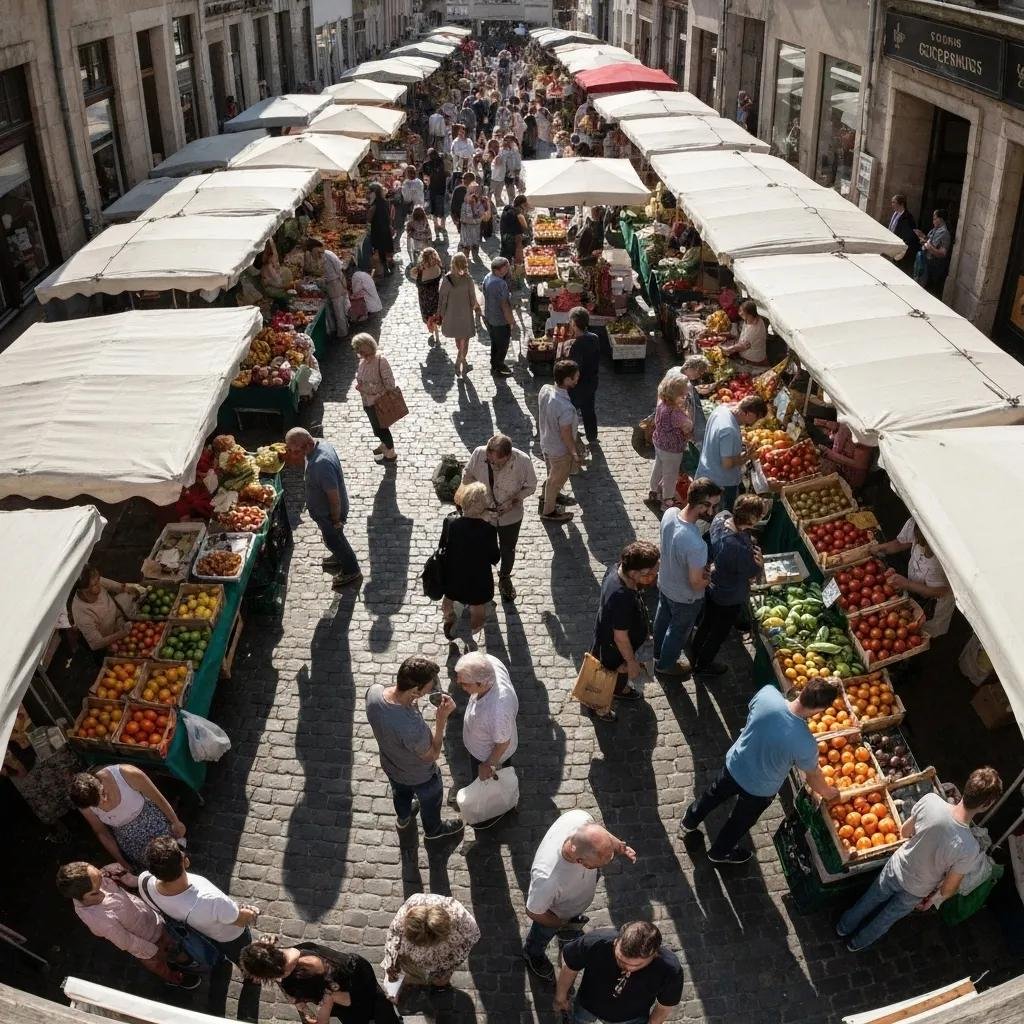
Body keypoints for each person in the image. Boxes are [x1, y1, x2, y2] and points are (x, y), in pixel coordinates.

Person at [838, 767, 1002, 951]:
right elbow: (948, 889)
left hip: (897, 867)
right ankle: (856, 943)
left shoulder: (931, 801)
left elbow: (904, 832)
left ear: (967, 787)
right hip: (916, 890)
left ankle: (843, 927)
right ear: (986, 805)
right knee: (886, 919)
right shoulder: (970, 849)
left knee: (869, 899)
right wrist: (932, 900)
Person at [680, 678, 841, 865]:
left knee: (713, 795)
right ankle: (720, 852)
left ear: (803, 689)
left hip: (736, 764)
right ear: (819, 710)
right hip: (759, 789)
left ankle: (689, 821)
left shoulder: (768, 694)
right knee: (739, 822)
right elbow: (812, 776)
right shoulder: (806, 743)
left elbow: (753, 712)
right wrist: (829, 793)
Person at [523, 809, 637, 981]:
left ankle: (567, 932)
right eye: (594, 866)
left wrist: (619, 846)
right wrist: (560, 923)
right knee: (541, 936)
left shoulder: (580, 819)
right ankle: (533, 955)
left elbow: (599, 833)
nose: (598, 869)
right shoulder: (547, 879)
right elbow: (534, 912)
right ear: (579, 861)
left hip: (572, 903)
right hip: (555, 915)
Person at [365, 656, 464, 843]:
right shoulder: (412, 726)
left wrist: (411, 703)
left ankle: (403, 818)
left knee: (401, 796)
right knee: (431, 801)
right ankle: (434, 830)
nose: (432, 688)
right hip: (421, 776)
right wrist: (441, 719)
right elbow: (432, 755)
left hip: (392, 767)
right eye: (429, 685)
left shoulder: (374, 693)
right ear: (414, 690)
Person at [56, 861, 198, 988]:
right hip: (147, 943)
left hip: (152, 922)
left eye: (98, 872)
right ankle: (171, 977)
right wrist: (153, 951)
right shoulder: (100, 920)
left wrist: (115, 870)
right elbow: (127, 942)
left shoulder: (94, 882)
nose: (103, 875)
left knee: (169, 943)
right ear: (90, 894)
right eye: (99, 879)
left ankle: (176, 955)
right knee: (158, 963)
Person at [138, 836, 259, 964]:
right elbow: (240, 920)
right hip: (231, 937)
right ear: (185, 861)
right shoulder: (211, 900)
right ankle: (251, 974)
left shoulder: (144, 880)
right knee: (245, 958)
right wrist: (252, 912)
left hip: (207, 934)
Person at [648, 479, 720, 679]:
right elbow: (696, 583)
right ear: (700, 505)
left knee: (662, 619)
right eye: (711, 506)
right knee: (678, 631)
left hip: (666, 583)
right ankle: (666, 665)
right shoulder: (696, 544)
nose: (713, 512)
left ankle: (656, 654)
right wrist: (711, 573)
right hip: (685, 597)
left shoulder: (670, 513)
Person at [690, 496, 765, 676]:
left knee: (707, 621)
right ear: (753, 520)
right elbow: (751, 573)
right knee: (719, 632)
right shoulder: (739, 549)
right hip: (730, 595)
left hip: (713, 583)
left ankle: (695, 648)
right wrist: (760, 563)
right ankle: (703, 665)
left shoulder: (720, 518)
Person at [241, 939, 400, 1023]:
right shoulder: (283, 957)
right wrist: (303, 1007)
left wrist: (320, 1013)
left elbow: (345, 1000)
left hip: (349, 993)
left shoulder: (312, 972)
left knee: (372, 1010)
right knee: (376, 999)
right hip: (355, 970)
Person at [555, 921, 683, 1024]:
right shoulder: (595, 942)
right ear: (616, 942)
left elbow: (663, 1007)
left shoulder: (669, 970)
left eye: (637, 965)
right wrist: (560, 997)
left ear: (654, 954)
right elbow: (570, 966)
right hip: (587, 1005)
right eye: (621, 959)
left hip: (632, 1018)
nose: (628, 968)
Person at [589, 540, 661, 722]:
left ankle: (620, 689)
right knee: (610, 674)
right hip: (614, 648)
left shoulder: (617, 568)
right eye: (651, 573)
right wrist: (631, 662)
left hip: (605, 634)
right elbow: (620, 637)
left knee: (611, 671)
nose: (655, 576)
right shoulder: (622, 597)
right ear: (635, 572)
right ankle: (601, 708)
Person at [461, 434, 537, 601]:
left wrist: (513, 501)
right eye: (489, 461)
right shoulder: (479, 454)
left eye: (496, 462)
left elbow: (531, 486)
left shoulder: (523, 461)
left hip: (510, 517)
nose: (492, 464)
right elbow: (467, 475)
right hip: (482, 516)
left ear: (508, 456)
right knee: (480, 548)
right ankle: (482, 580)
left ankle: (504, 578)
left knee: (507, 549)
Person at [284, 427, 361, 588]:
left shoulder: (321, 465)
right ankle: (339, 557)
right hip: (324, 512)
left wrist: (335, 519)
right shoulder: (321, 445)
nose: (291, 455)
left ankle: (351, 570)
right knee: (332, 539)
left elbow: (334, 498)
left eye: (295, 451)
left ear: (308, 445)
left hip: (329, 514)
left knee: (335, 540)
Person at [69, 767, 185, 872]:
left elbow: (158, 798)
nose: (103, 802)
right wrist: (122, 861)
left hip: (153, 822)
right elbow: (102, 832)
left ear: (99, 781)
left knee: (173, 858)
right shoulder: (84, 803)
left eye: (103, 793)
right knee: (154, 868)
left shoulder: (126, 774)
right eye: (96, 805)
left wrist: (175, 822)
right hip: (130, 841)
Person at [455, 650, 519, 811]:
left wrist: (488, 764)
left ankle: (492, 808)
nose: (458, 684)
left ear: (481, 684)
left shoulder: (498, 709)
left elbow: (503, 743)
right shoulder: (488, 662)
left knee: (490, 784)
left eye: (464, 683)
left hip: (487, 756)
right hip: (483, 745)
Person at [869, 519, 955, 636]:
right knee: (911, 624)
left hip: (934, 603)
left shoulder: (939, 561)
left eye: (921, 541)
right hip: (915, 589)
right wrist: (882, 548)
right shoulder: (916, 523)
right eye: (916, 538)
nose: (916, 542)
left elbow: (940, 591)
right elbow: (901, 543)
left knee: (926, 632)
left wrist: (907, 584)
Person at [382, 893, 480, 992]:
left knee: (439, 979)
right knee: (439, 978)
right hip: (436, 960)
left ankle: (438, 984)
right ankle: (438, 984)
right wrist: (391, 965)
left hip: (440, 960)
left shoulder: (414, 903)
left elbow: (392, 941)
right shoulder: (408, 914)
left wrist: (390, 965)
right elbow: (393, 940)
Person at [439, 482, 500, 641]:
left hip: (454, 579)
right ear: (484, 505)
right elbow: (494, 557)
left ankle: (450, 622)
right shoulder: (488, 530)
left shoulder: (451, 523)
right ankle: (472, 636)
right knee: (478, 612)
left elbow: (443, 548)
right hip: (479, 582)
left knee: (448, 602)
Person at [695, 394, 768, 511]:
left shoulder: (721, 409)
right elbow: (727, 464)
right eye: (756, 418)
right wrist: (746, 457)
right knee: (720, 515)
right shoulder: (729, 430)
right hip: (721, 483)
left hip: (707, 471)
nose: (755, 422)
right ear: (747, 413)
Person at [538, 359, 581, 523]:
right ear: (567, 380)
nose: (578, 379)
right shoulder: (564, 407)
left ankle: (550, 495)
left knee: (552, 476)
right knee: (556, 480)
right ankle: (549, 511)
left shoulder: (545, 390)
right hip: (559, 450)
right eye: (575, 377)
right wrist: (574, 453)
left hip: (546, 442)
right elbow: (566, 435)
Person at [648, 370, 694, 510]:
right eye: (684, 393)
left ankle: (653, 491)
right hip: (672, 449)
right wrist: (689, 418)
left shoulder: (662, 403)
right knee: (670, 474)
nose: (686, 395)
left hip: (659, 442)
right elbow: (688, 426)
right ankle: (667, 500)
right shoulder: (675, 413)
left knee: (658, 467)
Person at [71, 568, 145, 653]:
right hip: (107, 638)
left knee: (128, 598)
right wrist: (121, 634)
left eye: (98, 579)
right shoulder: (82, 613)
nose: (99, 583)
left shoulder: (96, 581)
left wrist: (132, 589)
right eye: (95, 584)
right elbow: (95, 644)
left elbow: (119, 587)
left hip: (117, 617)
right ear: (84, 590)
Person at [352, 333, 398, 465]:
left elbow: (390, 385)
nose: (360, 353)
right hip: (368, 403)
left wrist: (366, 388)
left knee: (381, 429)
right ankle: (385, 445)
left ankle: (390, 454)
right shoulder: (363, 361)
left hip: (379, 403)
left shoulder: (381, 361)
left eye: (362, 350)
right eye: (358, 350)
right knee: (377, 429)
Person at [437, 252, 481, 377]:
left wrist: (440, 314)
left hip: (451, 314)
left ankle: (463, 363)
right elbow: (473, 299)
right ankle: (459, 362)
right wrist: (478, 309)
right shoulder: (468, 279)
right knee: (465, 340)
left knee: (458, 339)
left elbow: (442, 299)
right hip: (465, 314)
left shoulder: (447, 279)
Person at [565, 306, 600, 447]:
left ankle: (572, 435)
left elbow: (575, 367)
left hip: (578, 384)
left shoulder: (577, 345)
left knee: (571, 410)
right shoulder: (594, 338)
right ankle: (592, 436)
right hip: (592, 382)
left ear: (574, 323)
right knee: (589, 410)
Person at [304, 238, 350, 339]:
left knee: (339, 310)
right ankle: (337, 330)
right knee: (335, 309)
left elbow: (339, 270)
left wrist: (343, 285)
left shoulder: (328, 255)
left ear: (315, 248)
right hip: (330, 284)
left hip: (336, 284)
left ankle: (343, 333)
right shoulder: (322, 255)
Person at [817, 417, 875, 491]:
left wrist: (830, 454)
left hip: (851, 478)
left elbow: (860, 465)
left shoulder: (862, 434)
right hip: (838, 469)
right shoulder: (841, 425)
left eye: (826, 421)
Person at [481, 256, 515, 376]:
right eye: (505, 268)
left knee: (495, 342)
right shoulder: (500, 283)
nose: (507, 270)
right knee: (503, 344)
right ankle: (498, 366)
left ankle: (494, 363)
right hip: (499, 319)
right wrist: (511, 321)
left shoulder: (487, 277)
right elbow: (504, 305)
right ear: (497, 270)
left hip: (489, 317)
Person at [915, 208, 952, 297]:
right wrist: (923, 237)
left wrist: (928, 246)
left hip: (933, 268)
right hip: (925, 264)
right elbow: (929, 241)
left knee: (927, 294)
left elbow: (942, 253)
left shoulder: (945, 233)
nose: (933, 220)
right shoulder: (934, 230)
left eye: (935, 218)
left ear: (941, 219)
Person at [720, 299, 768, 366]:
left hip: (753, 360)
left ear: (750, 314)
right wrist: (729, 335)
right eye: (740, 310)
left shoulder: (754, 329)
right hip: (755, 355)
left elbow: (742, 346)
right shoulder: (754, 319)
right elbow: (742, 333)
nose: (740, 313)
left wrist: (727, 349)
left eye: (742, 312)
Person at [412, 246, 443, 342]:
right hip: (435, 296)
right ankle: (435, 328)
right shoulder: (438, 267)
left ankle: (431, 328)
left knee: (428, 315)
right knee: (435, 313)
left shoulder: (420, 271)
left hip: (424, 299)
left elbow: (413, 276)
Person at [886, 193, 919, 274]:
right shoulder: (895, 214)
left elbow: (909, 236)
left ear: (901, 204)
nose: (892, 204)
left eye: (894, 202)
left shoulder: (908, 217)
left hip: (901, 250)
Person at [366, 182, 394, 276]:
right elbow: (389, 216)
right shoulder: (385, 202)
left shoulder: (375, 205)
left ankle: (384, 268)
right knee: (386, 248)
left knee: (381, 250)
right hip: (385, 228)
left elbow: (369, 219)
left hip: (378, 230)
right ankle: (388, 265)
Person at [499, 194, 529, 270]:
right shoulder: (518, 212)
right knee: (517, 259)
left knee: (505, 255)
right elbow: (525, 225)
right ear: (522, 204)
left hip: (504, 235)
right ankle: (516, 273)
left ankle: (504, 270)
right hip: (514, 238)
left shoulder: (507, 208)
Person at [491, 135, 522, 206]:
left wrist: (516, 172)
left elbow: (518, 162)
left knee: (511, 192)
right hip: (500, 173)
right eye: (506, 140)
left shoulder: (515, 151)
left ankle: (511, 204)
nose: (507, 142)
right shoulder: (501, 150)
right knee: (497, 192)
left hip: (510, 173)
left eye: (510, 141)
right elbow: (497, 160)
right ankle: (499, 204)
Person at [421, 148, 447, 232]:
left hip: (441, 186)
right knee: (433, 206)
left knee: (441, 205)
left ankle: (442, 224)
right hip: (432, 187)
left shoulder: (440, 161)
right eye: (430, 155)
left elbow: (444, 171)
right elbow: (424, 175)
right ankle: (436, 224)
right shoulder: (426, 164)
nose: (432, 156)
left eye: (433, 154)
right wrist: (425, 183)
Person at [459, 183, 487, 259]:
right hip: (466, 233)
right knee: (466, 250)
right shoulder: (464, 205)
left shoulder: (480, 205)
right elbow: (464, 219)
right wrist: (478, 220)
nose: (473, 194)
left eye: (476, 192)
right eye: (471, 193)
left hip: (476, 233)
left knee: (475, 251)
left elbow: (484, 216)